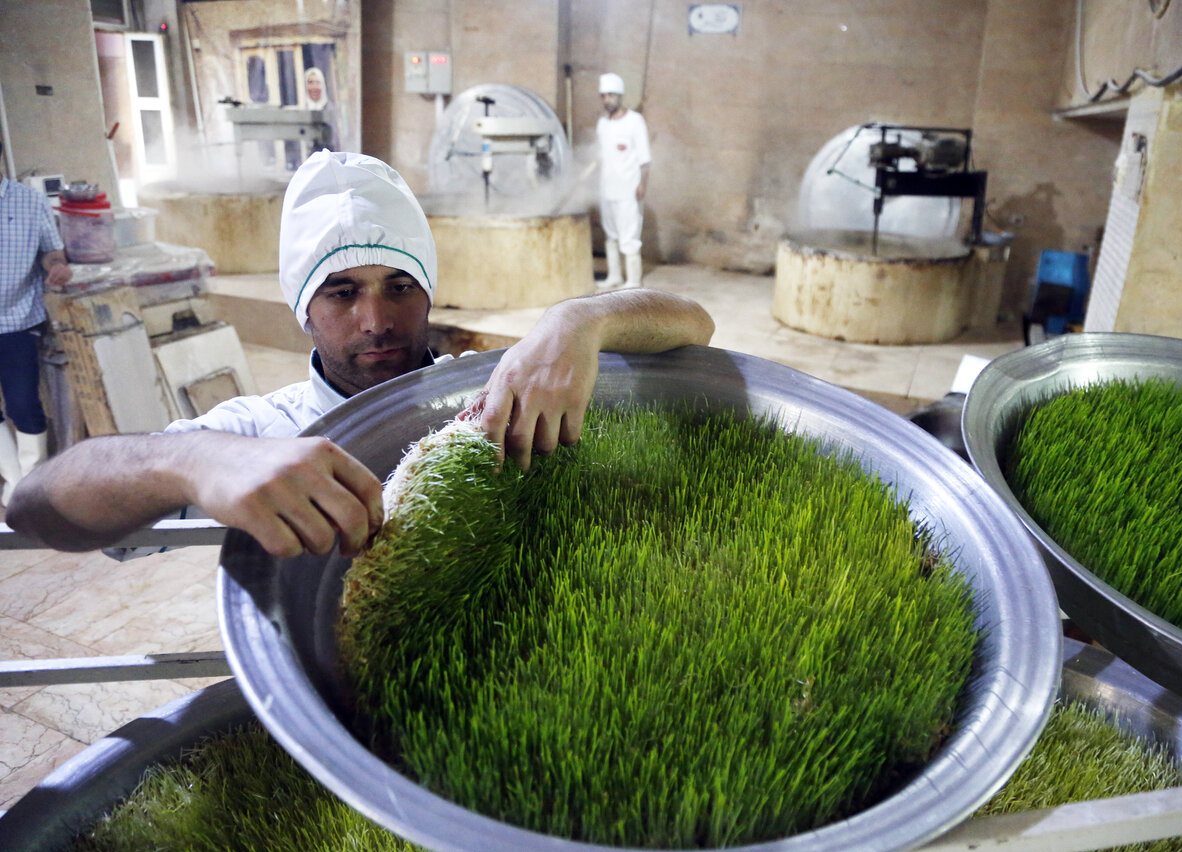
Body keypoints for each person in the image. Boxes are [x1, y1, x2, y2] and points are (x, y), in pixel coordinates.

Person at [8, 150, 714, 558]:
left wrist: (579, 318)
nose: (376, 319)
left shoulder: (496, 399)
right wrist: (195, 461)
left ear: (430, 292)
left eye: (400, 286)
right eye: (342, 292)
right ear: (302, 311)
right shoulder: (264, 438)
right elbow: (36, 506)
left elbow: (695, 321)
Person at [0, 139, 73, 507]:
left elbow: (51, 250)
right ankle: (14, 486)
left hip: (15, 321)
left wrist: (56, 266)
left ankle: (30, 493)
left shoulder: (28, 201)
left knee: (23, 405)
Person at [596, 72, 651, 290]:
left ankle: (634, 281)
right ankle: (614, 276)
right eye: (603, 95)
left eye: (611, 95)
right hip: (606, 188)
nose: (606, 99)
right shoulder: (602, 124)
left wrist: (642, 184)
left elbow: (645, 158)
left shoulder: (635, 121)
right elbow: (601, 155)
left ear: (620, 96)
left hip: (629, 189)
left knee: (629, 236)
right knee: (611, 235)